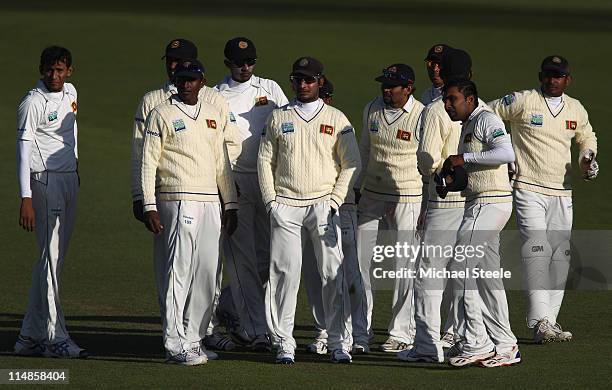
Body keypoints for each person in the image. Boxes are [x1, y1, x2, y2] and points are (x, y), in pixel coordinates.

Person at [130, 38, 240, 353]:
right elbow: (146, 159)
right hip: (176, 198)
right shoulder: (160, 111)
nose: (185, 82)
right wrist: (146, 201)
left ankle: (194, 339)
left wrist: (230, 204)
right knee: (177, 271)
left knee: (207, 272)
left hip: (210, 201)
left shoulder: (213, 109)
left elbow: (222, 162)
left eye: (191, 78)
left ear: (202, 81)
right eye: (180, 78)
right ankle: (174, 341)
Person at [488, 55, 598, 343]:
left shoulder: (575, 108)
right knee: (537, 249)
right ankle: (541, 324)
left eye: (558, 76)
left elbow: (587, 136)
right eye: (548, 75)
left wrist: (587, 157)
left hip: (562, 191)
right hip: (528, 187)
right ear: (540, 76)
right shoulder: (523, 100)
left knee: (560, 256)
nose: (552, 80)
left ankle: (548, 320)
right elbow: (488, 114)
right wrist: (504, 154)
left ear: (567, 79)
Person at [258, 56, 361, 364]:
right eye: (297, 79)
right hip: (286, 205)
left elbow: (352, 163)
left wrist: (334, 201)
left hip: (323, 205)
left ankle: (338, 342)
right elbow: (265, 161)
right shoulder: (278, 117)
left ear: (320, 82)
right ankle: (283, 342)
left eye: (309, 80)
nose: (303, 85)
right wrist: (271, 202)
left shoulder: (337, 118)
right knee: (283, 274)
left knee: (332, 274)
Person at [213, 37, 288, 351]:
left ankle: (232, 306)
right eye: (238, 63)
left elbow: (287, 126)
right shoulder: (216, 95)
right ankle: (257, 331)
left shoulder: (270, 88)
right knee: (241, 257)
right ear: (227, 63)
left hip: (270, 180)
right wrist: (225, 186)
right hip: (237, 182)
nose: (245, 68)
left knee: (273, 256)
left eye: (250, 62)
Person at [441, 79, 521, 368]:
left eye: (453, 99)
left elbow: (505, 153)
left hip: (490, 203)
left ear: (470, 98)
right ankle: (506, 345)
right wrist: (452, 179)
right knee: (488, 279)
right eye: (446, 100)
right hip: (480, 201)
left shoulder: (486, 118)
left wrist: (464, 157)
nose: (448, 105)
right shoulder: (468, 124)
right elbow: (479, 165)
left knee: (459, 266)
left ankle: (476, 342)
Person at [14, 46, 87, 358]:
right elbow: (23, 150)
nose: (54, 76)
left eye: (60, 70)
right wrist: (26, 197)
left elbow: (71, 136)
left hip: (69, 179)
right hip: (44, 182)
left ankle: (29, 337)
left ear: (69, 70)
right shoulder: (32, 102)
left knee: (51, 260)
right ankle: (55, 338)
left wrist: (75, 169)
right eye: (49, 70)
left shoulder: (71, 91)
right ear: (41, 69)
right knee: (50, 258)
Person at [403, 48, 475, 363]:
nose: (431, 68)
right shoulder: (481, 107)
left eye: (436, 65)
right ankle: (463, 337)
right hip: (475, 202)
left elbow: (426, 160)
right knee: (464, 273)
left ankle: (427, 346)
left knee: (427, 274)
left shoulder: (434, 109)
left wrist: (433, 178)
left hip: (443, 202)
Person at [354, 64, 425, 353]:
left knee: (403, 266)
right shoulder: (372, 108)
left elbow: (428, 158)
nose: (386, 89)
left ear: (408, 88)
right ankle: (361, 331)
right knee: (359, 263)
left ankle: (401, 333)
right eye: (384, 84)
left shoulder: (422, 114)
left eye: (393, 85)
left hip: (407, 195)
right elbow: (364, 150)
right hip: (371, 194)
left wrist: (427, 202)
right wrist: (354, 188)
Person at [302, 78, 369, 355]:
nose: (325, 101)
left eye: (328, 96)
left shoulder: (338, 123)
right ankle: (326, 330)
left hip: (343, 207)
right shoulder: (305, 123)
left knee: (349, 272)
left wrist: (341, 200)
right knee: (315, 274)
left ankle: (359, 334)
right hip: (314, 210)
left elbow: (351, 166)